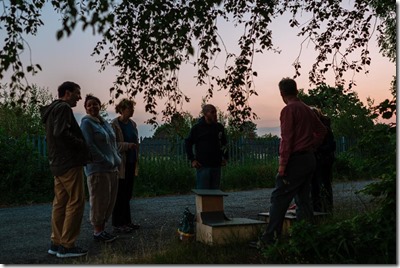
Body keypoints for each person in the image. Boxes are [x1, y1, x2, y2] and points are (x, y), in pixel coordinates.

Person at [250, 78, 327, 248]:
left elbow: (287, 139)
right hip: (309, 160)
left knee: (279, 198)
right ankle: (306, 236)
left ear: (282, 93)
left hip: (295, 161)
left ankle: (269, 240)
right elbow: (322, 130)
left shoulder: (289, 110)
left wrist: (282, 165)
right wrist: (312, 145)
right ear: (296, 91)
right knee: (303, 199)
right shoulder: (307, 109)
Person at [40, 81, 89, 258]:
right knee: (77, 201)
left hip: (57, 163)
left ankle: (56, 242)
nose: (80, 97)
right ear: (67, 93)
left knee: (60, 202)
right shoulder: (63, 109)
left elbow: (54, 135)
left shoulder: (52, 109)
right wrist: (81, 144)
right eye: (77, 93)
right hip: (69, 163)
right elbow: (61, 133)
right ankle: (67, 245)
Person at [80, 94, 121, 243]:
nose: (92, 107)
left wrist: (116, 158)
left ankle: (103, 230)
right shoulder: (86, 123)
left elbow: (113, 143)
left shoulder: (104, 123)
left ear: (100, 106)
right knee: (98, 201)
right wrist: (104, 160)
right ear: (85, 108)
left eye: (95, 104)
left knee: (109, 201)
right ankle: (97, 232)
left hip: (112, 168)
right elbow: (89, 146)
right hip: (97, 169)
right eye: (89, 105)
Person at [111, 99, 140, 233]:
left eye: (132, 108)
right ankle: (118, 223)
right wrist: (127, 146)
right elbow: (113, 145)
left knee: (127, 194)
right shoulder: (115, 125)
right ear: (122, 110)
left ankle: (127, 221)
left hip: (131, 162)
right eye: (129, 108)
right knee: (120, 194)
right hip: (120, 164)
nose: (132, 110)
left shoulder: (133, 124)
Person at [184, 104, 228, 189]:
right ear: (205, 114)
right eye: (212, 112)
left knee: (215, 194)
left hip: (216, 166)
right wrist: (192, 160)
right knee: (203, 194)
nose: (215, 114)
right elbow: (188, 142)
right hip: (203, 166)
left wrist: (225, 157)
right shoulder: (197, 128)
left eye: (215, 112)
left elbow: (224, 143)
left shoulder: (219, 127)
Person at [310, 107, 336, 213]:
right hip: (321, 160)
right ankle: (320, 209)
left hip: (323, 160)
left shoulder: (324, 129)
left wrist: (317, 149)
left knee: (322, 184)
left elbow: (331, 145)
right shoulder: (321, 127)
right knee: (317, 185)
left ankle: (324, 209)